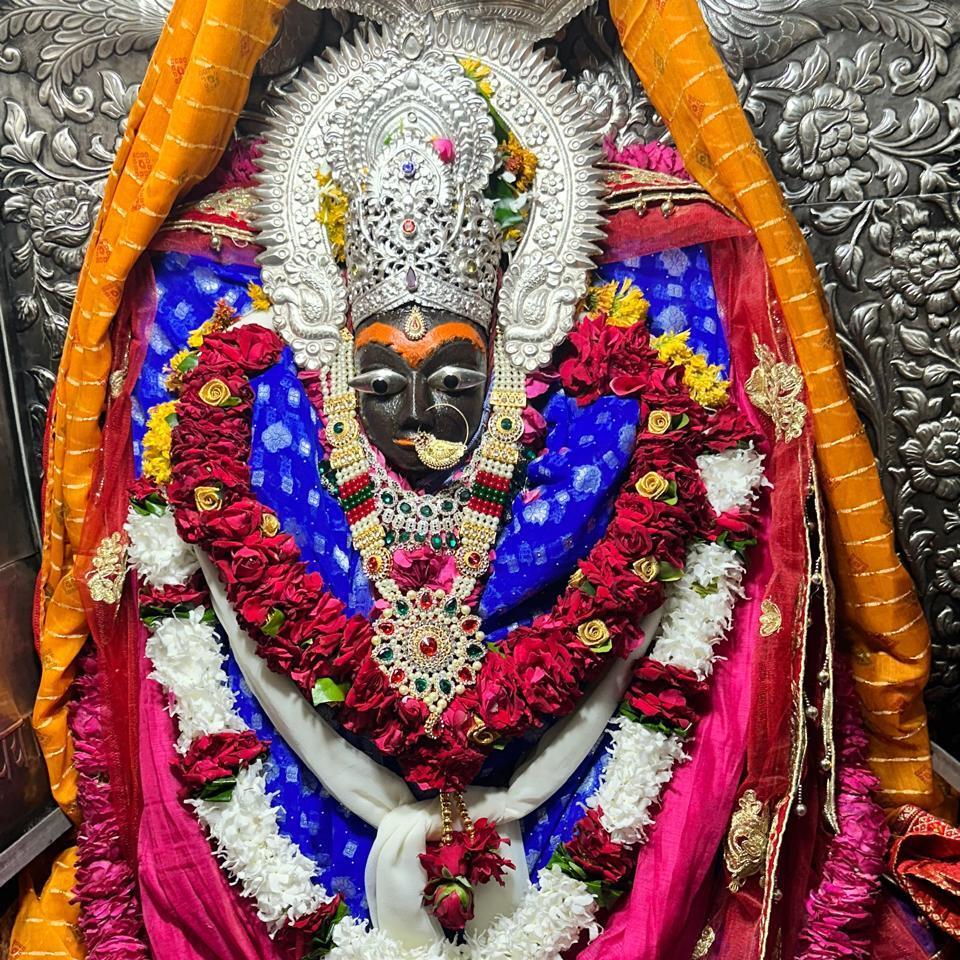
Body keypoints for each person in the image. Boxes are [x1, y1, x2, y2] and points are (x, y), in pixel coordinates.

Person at [17, 3, 957, 960]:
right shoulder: (241, 386)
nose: (420, 419)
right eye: (383, 385)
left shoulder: (623, 386)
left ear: (512, 343)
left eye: (453, 381)